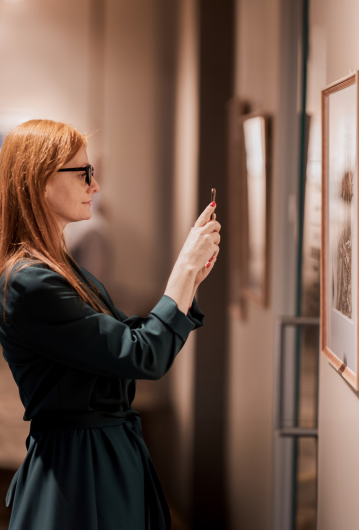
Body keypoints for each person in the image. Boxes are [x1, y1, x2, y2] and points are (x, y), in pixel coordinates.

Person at [0, 119, 221, 530]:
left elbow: (126, 342)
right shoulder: (30, 282)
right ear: (39, 181)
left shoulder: (59, 268)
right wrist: (183, 271)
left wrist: (188, 281)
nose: (95, 187)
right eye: (84, 173)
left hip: (96, 458)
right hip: (78, 471)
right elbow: (141, 355)